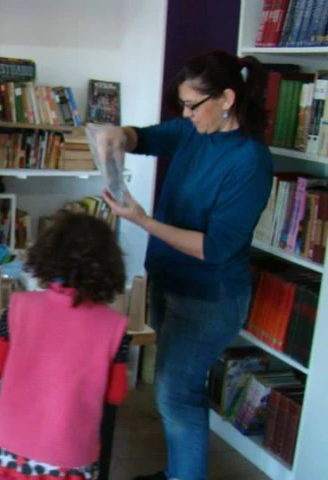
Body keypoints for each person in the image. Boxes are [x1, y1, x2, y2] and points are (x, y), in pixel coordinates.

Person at [98, 51, 273, 480]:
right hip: (169, 281)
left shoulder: (250, 161)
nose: (185, 113)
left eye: (193, 105)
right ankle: (181, 471)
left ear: (227, 98)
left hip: (209, 297)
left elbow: (214, 249)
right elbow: (146, 138)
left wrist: (143, 221)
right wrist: (119, 136)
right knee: (178, 392)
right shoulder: (194, 130)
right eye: (182, 104)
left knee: (176, 396)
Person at [0, 212, 130, 480]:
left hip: (13, 446)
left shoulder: (18, 308)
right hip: (70, 453)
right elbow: (116, 394)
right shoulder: (114, 327)